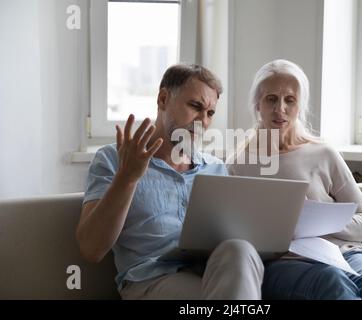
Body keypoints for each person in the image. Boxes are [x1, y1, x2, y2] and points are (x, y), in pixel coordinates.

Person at [76, 64, 264, 300]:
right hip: (151, 281)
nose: (203, 121)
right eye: (195, 106)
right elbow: (91, 249)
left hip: (210, 273)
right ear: (163, 99)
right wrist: (127, 178)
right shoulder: (113, 159)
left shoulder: (215, 168)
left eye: (210, 113)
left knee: (239, 249)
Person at [228, 59, 362, 300]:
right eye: (271, 98)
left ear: (300, 106)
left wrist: (319, 223)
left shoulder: (323, 153)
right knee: (334, 283)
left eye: (290, 100)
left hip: (347, 253)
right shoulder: (239, 162)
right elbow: (229, 234)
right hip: (288, 262)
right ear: (257, 104)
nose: (280, 108)